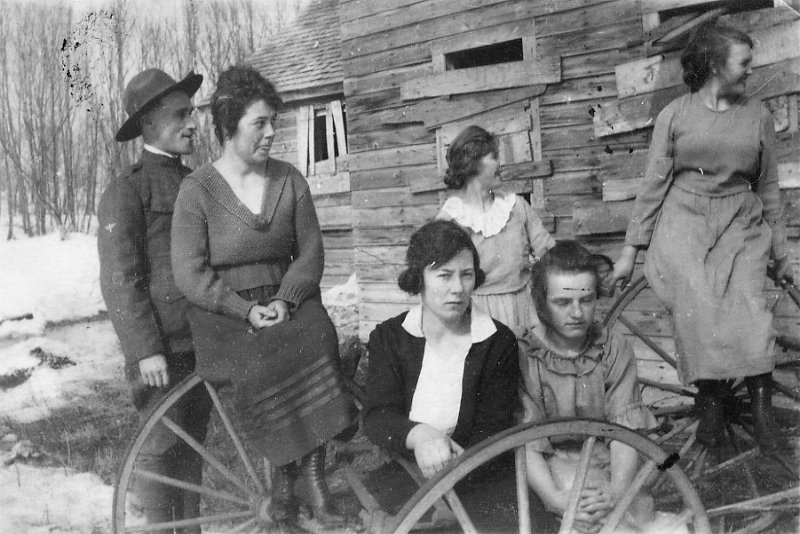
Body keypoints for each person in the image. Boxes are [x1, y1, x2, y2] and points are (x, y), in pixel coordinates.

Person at [170, 66, 356, 530]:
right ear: (229, 127)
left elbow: (310, 251)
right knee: (263, 354)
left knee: (316, 333)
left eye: (274, 121)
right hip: (224, 313)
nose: (272, 132)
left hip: (287, 299)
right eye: (260, 123)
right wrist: (243, 309)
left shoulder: (290, 180)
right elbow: (189, 273)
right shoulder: (196, 191)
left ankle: (310, 476)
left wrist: (288, 299)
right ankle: (286, 478)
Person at [611, 22, 789, 452]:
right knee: (695, 302)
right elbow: (654, 183)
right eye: (744, 62)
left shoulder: (758, 116)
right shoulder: (675, 115)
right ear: (714, 64)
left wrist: (781, 254)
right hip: (684, 218)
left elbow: (767, 189)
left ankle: (763, 411)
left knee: (749, 305)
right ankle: (710, 407)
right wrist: (629, 252)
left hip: (739, 221)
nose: (751, 70)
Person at [98, 68, 212, 532]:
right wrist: (145, 348)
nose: (192, 124)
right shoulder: (128, 190)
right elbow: (119, 278)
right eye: (179, 115)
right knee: (161, 449)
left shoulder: (197, 182)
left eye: (192, 113)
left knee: (193, 454)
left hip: (199, 342)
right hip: (160, 351)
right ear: (147, 124)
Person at [363, 219, 532, 530]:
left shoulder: (496, 342)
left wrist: (453, 461)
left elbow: (493, 427)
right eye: (444, 276)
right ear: (420, 280)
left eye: (466, 275)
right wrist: (423, 437)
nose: (457, 288)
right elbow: (377, 417)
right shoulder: (390, 337)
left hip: (479, 473)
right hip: (409, 473)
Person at [519, 241, 664, 534]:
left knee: (635, 513)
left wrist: (616, 491)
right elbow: (526, 441)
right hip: (551, 464)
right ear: (540, 302)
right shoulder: (525, 355)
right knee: (585, 510)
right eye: (562, 302)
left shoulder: (612, 347)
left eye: (586, 301)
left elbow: (625, 430)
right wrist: (554, 500)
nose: (576, 313)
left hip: (612, 457)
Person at [437, 125, 556, 338]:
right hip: (477, 315)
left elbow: (549, 253)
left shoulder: (516, 206)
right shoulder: (452, 218)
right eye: (494, 156)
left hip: (525, 309)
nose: (500, 163)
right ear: (472, 164)